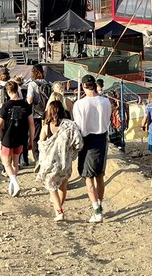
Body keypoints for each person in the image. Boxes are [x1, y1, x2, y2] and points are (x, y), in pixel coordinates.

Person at [71, 74, 111, 223]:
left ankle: (97, 210)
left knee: (88, 177)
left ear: (83, 86)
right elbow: (107, 120)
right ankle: (99, 205)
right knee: (100, 175)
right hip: (102, 138)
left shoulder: (79, 104)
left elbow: (79, 126)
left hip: (87, 140)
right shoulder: (105, 101)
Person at [36, 99, 81, 222]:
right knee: (63, 186)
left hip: (51, 163)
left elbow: (41, 144)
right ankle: (58, 208)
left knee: (51, 187)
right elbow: (77, 142)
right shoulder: (69, 126)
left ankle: (59, 211)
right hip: (65, 162)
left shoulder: (46, 127)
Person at [0, 80, 34, 197]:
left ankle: (15, 183)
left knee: (6, 163)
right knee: (15, 162)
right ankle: (12, 188)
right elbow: (31, 124)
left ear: (7, 91)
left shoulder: (6, 106)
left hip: (7, 137)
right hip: (20, 137)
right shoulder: (25, 105)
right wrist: (31, 140)